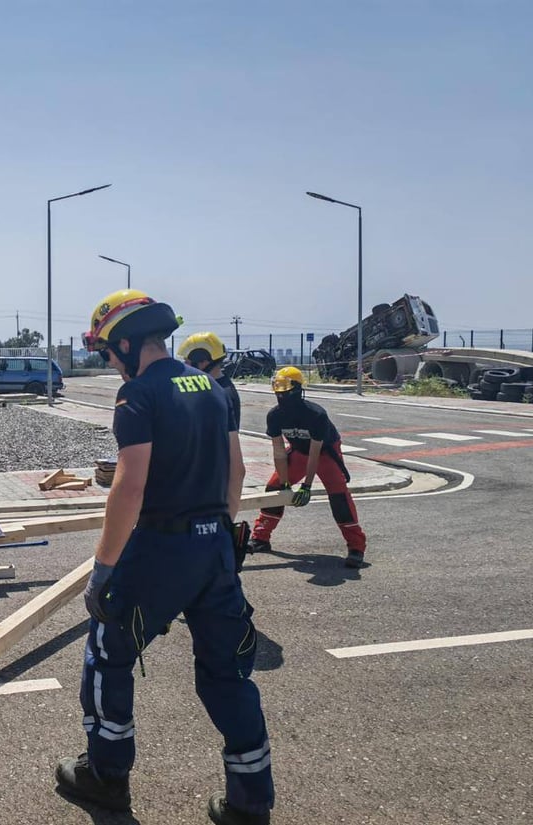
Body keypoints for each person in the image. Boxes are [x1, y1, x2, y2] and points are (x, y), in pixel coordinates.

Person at [56, 289, 274, 824]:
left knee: (109, 656)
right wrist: (220, 537)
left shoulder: (138, 396)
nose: (109, 361)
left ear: (127, 343)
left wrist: (102, 571)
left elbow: (129, 488)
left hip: (158, 549)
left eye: (109, 351)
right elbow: (237, 473)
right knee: (228, 674)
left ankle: (106, 777)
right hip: (214, 546)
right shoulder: (215, 390)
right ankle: (251, 802)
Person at [248, 366, 367, 568]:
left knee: (339, 496)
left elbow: (315, 453)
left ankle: (356, 546)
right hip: (298, 451)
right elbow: (278, 452)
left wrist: (307, 486)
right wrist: (285, 483)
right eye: (278, 387)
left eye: (285, 387)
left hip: (325, 453)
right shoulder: (274, 416)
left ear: (297, 389)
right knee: (274, 489)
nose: (281, 393)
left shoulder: (315, 414)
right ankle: (261, 538)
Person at [178, 330, 241, 430]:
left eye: (187, 361)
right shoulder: (213, 387)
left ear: (203, 361)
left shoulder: (222, 393)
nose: (185, 366)